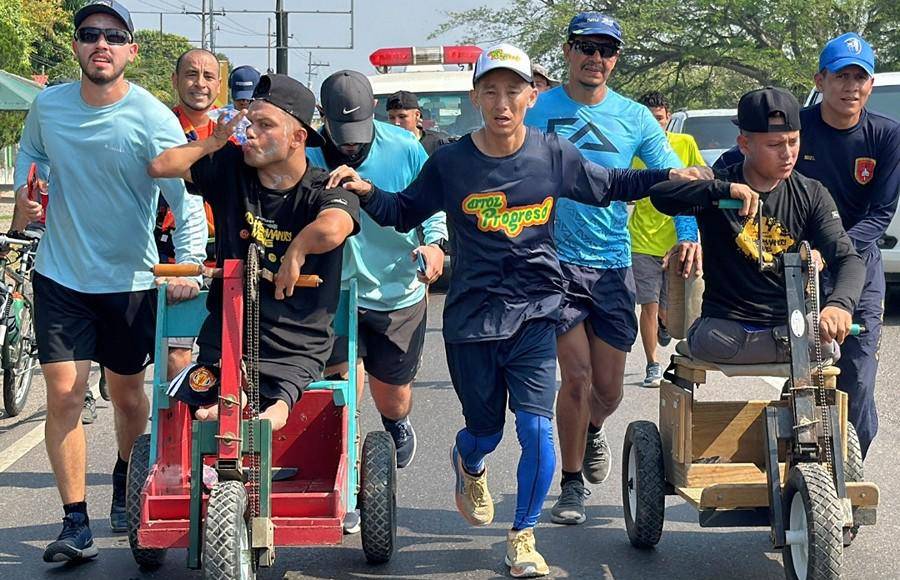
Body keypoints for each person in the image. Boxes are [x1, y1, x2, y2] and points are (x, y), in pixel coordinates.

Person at [326, 43, 714, 578]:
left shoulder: (552, 154)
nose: (502, 102)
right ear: (476, 97)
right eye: (492, 91)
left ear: (531, 97)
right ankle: (470, 461)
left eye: (513, 91)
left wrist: (673, 179)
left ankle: (523, 535)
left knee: (535, 429)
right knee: (484, 431)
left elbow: (612, 185)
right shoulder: (452, 162)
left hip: (536, 312)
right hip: (471, 320)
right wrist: (366, 190)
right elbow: (403, 210)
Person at [14, 0, 208, 563]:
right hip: (61, 276)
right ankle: (75, 522)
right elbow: (33, 159)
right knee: (64, 394)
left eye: (113, 36)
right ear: (76, 46)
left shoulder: (151, 117)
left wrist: (189, 265)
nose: (101, 43)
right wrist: (27, 200)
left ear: (131, 50)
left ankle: (127, 474)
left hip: (129, 281)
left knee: (127, 397)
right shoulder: (48, 107)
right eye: (89, 34)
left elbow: (185, 200)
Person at [524, 11, 701, 526]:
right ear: (568, 51)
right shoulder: (537, 109)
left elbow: (675, 179)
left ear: (615, 59)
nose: (595, 58)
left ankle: (592, 430)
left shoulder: (636, 117)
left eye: (606, 50)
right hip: (553, 263)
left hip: (612, 266)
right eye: (587, 47)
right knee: (574, 378)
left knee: (610, 390)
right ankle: (572, 484)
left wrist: (688, 236)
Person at [712, 34, 900, 459]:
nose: (850, 86)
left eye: (860, 77)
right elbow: (732, 165)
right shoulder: (796, 128)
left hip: (855, 269)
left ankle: (844, 477)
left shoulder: (886, 135)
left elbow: (880, 213)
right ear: (821, 79)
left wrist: (834, 250)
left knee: (855, 375)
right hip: (793, 269)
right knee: (798, 368)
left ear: (870, 85)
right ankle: (794, 469)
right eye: (841, 76)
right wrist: (708, 194)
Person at [148, 74, 360, 433]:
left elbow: (335, 225)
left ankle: (269, 407)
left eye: (265, 125)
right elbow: (160, 166)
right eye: (249, 123)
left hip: (296, 338)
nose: (250, 133)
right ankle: (232, 402)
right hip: (226, 333)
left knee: (279, 402)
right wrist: (212, 141)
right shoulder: (231, 167)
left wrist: (297, 250)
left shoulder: (325, 185)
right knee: (200, 402)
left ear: (298, 138)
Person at [650, 87, 864, 366]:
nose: (788, 154)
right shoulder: (720, 187)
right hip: (727, 329)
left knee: (825, 346)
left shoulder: (812, 193)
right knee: (719, 341)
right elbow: (660, 196)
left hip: (791, 326)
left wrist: (839, 306)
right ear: (744, 144)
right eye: (774, 145)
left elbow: (848, 258)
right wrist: (717, 190)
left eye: (793, 142)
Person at [309, 71, 448, 473]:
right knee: (343, 390)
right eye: (341, 132)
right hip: (333, 292)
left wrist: (435, 245)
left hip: (396, 289)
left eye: (358, 130)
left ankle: (396, 422)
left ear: (373, 110)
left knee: (392, 394)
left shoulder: (404, 147)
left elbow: (433, 203)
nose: (350, 142)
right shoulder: (309, 153)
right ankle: (348, 474)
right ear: (323, 116)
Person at [629, 91, 707, 387]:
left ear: (668, 118)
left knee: (666, 310)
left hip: (677, 242)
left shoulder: (684, 144)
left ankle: (665, 323)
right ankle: (652, 364)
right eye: (647, 119)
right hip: (641, 241)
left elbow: (703, 176)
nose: (653, 124)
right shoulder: (634, 152)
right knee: (647, 305)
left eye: (658, 119)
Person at [155, 48, 221, 382]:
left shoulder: (233, 134)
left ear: (218, 84)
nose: (200, 84)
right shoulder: (159, 130)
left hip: (226, 258)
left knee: (229, 352)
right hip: (175, 259)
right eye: (191, 75)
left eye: (208, 76)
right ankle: (182, 428)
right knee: (177, 354)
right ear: (175, 81)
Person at [386, 90, 453, 155]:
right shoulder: (383, 145)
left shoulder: (439, 144)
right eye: (392, 118)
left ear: (417, 115)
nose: (396, 123)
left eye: (402, 117)